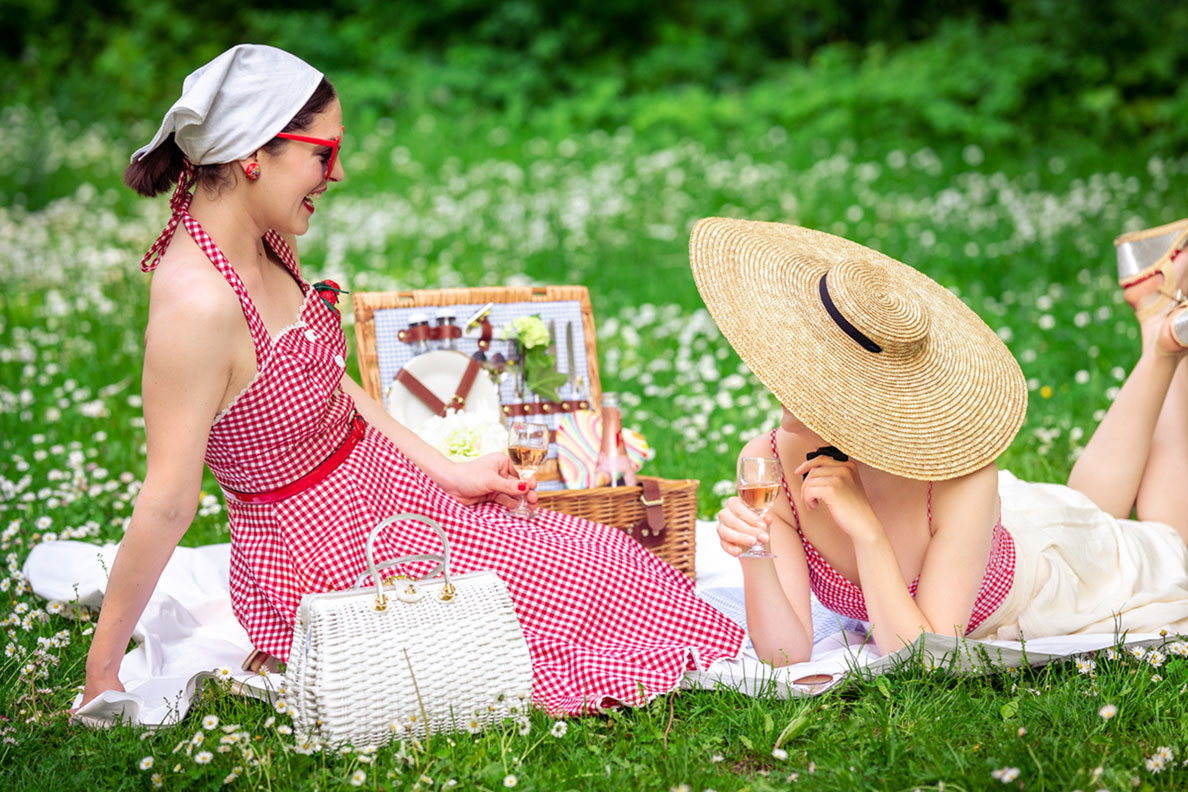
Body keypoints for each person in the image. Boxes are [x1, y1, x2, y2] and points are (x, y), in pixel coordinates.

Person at [78, 45, 743, 715]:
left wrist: (448, 472)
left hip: (390, 489)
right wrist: (101, 674)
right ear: (255, 154)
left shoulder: (266, 237)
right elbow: (167, 503)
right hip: (323, 554)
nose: (336, 175)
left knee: (599, 551)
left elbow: (327, 380)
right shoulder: (198, 307)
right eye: (323, 153)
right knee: (554, 602)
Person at [694, 217, 1188, 666]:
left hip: (1056, 589)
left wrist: (866, 530)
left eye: (816, 368)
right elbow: (787, 655)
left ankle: (1167, 344)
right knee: (1087, 503)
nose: (784, 374)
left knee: (1170, 543)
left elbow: (924, 659)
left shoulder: (958, 475)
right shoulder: (767, 465)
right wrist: (754, 555)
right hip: (991, 530)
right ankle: (1161, 332)